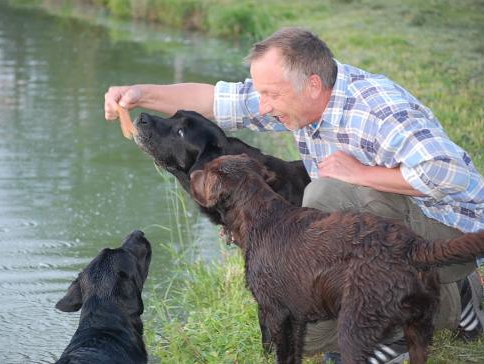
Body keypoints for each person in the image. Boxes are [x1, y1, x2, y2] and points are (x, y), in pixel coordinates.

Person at [104, 27, 483, 363]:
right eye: (260, 93)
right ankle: (450, 299)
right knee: (302, 329)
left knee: (325, 194)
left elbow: (452, 175)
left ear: (313, 85)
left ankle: (414, 316)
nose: (263, 106)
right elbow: (219, 101)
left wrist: (362, 173)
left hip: (446, 233)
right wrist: (140, 95)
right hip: (393, 241)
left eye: (271, 94)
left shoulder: (375, 110)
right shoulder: (299, 96)